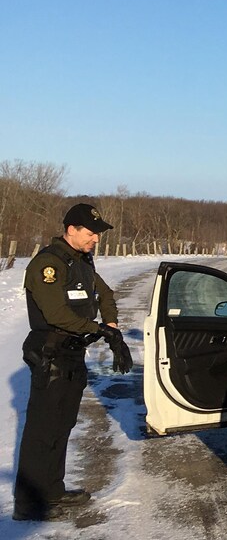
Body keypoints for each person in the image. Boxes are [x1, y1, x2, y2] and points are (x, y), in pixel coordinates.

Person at [13, 203, 133, 522]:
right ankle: (29, 503)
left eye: (98, 233)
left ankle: (52, 491)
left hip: (73, 352)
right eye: (91, 233)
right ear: (71, 230)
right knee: (43, 428)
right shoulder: (48, 264)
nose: (96, 238)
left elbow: (105, 295)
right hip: (49, 352)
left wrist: (112, 325)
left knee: (63, 424)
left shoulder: (81, 262)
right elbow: (55, 314)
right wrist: (99, 329)